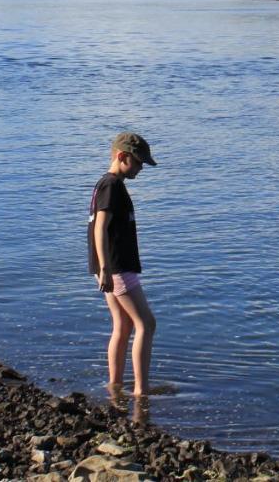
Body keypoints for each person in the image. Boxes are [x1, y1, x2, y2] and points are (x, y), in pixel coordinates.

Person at [87, 131, 158, 396]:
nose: (141, 168)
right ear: (122, 156)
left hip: (109, 267)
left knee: (123, 324)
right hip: (116, 266)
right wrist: (105, 267)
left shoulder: (108, 184)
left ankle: (115, 385)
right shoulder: (111, 185)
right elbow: (100, 228)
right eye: (138, 163)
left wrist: (100, 268)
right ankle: (141, 391)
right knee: (146, 324)